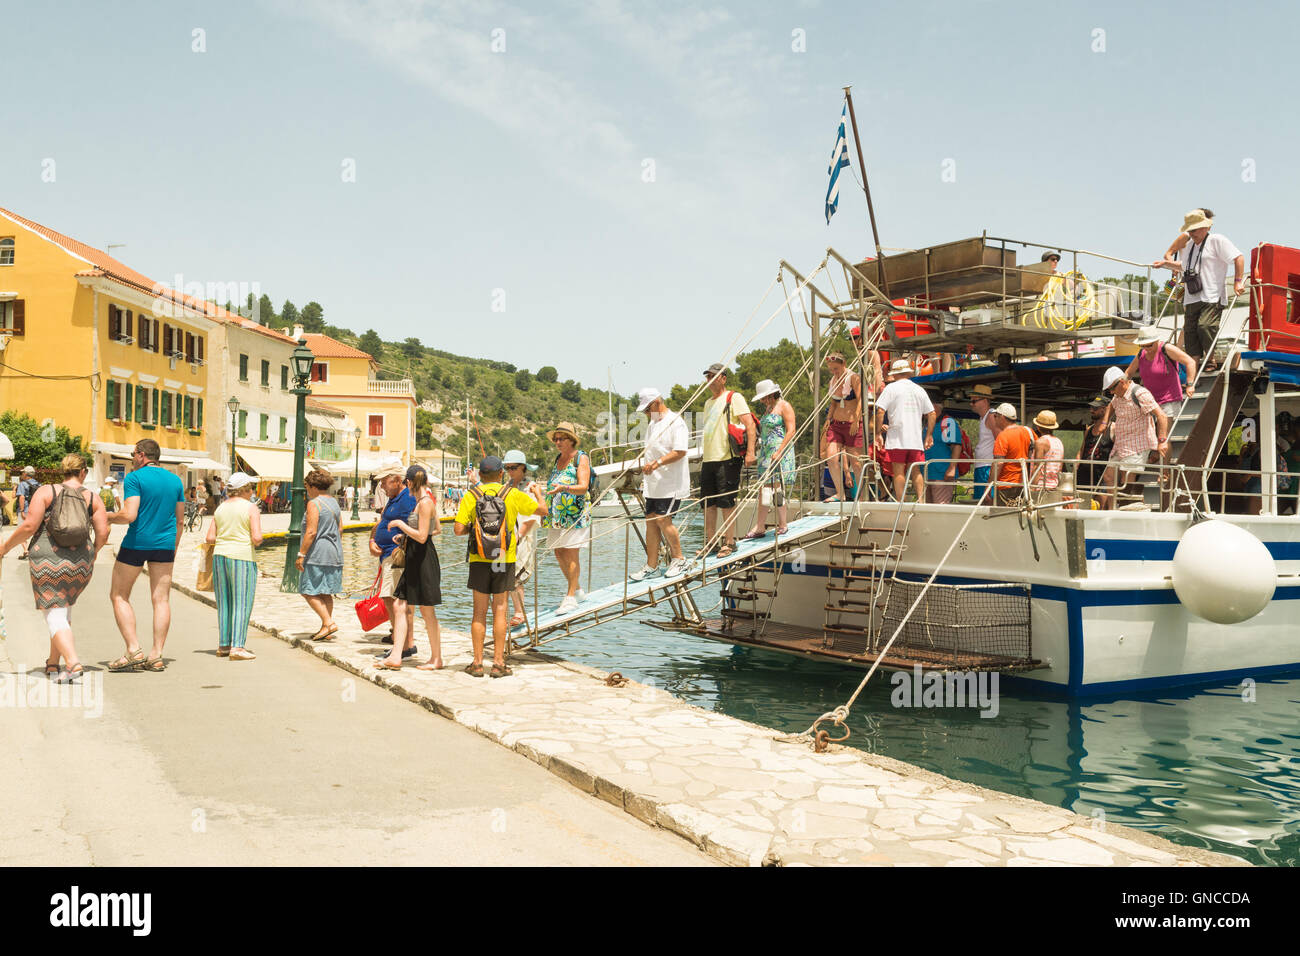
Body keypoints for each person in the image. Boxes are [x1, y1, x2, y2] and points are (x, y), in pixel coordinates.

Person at [0, 453, 109, 682]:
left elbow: (30, 525)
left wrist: (6, 547)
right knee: (63, 607)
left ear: (62, 471)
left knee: (52, 610)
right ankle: (53, 663)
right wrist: (94, 552)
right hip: (81, 559)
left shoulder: (46, 491)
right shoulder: (93, 497)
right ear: (83, 473)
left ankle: (72, 662)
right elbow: (103, 532)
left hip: (47, 557)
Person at [455, 455, 548, 678]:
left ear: (479, 475)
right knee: (500, 609)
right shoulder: (512, 494)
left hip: (479, 559)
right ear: (500, 474)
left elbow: (458, 529)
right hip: (503, 559)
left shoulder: (471, 495)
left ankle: (477, 663)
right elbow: (543, 511)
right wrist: (538, 494)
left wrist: (477, 531)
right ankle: (498, 663)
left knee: (479, 612)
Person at [105, 440, 185, 672]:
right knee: (161, 600)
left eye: (133, 454)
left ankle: (133, 650)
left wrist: (109, 517)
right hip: (165, 545)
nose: (132, 458)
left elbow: (129, 515)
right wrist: (174, 547)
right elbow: (179, 520)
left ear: (141, 455)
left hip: (137, 542)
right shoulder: (175, 480)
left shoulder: (135, 478)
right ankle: (156, 655)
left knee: (119, 595)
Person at [1152, 209, 1245, 372]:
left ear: (1205, 228)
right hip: (1192, 296)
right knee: (1190, 332)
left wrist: (1238, 282)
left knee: (1205, 326)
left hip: (1212, 295)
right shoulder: (1190, 245)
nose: (1191, 233)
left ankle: (1210, 359)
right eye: (1189, 230)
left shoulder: (1217, 240)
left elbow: (1238, 257)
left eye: (1194, 230)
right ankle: (1193, 369)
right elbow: (1184, 265)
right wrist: (1165, 264)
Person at [377, 465, 443, 671]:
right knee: (400, 606)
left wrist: (400, 524)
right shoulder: (422, 502)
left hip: (423, 561)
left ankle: (436, 658)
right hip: (415, 557)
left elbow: (424, 536)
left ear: (409, 482)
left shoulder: (424, 503)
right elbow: (436, 529)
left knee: (426, 610)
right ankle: (396, 656)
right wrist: (405, 537)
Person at [698, 363, 757, 558]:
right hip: (709, 459)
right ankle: (711, 542)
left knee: (727, 501)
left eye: (713, 377)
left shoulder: (734, 397)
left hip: (727, 458)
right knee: (708, 503)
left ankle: (730, 542)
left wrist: (750, 453)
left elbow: (749, 424)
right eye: (707, 377)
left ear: (723, 378)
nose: (709, 381)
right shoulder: (708, 403)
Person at [205, 471, 264, 661]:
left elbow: (210, 537)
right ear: (245, 489)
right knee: (242, 602)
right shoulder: (251, 508)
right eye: (251, 488)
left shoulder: (220, 508)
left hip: (219, 556)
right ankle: (238, 647)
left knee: (224, 603)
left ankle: (224, 645)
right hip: (242, 557)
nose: (253, 492)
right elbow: (256, 538)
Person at [632, 388, 691, 577]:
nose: (647, 414)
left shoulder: (676, 422)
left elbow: (680, 451)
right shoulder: (652, 424)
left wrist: (657, 463)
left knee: (663, 519)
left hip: (671, 483)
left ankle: (680, 559)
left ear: (657, 402)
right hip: (653, 484)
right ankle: (651, 565)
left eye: (648, 409)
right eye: (645, 411)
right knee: (650, 521)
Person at [1098, 366, 1169, 509]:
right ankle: (1114, 510)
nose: (1111, 392)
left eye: (1112, 389)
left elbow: (1161, 415)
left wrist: (1161, 441)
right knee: (1109, 476)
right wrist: (1105, 422)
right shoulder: (1117, 395)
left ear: (1122, 382)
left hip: (1138, 443)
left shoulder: (1140, 393)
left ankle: (1131, 508)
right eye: (1109, 390)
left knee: (1127, 479)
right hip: (1121, 443)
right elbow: (1111, 406)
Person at [544, 422, 592, 614]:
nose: (557, 442)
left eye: (561, 438)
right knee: (558, 552)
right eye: (555, 439)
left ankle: (570, 596)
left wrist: (564, 488)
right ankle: (578, 589)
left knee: (571, 553)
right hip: (556, 515)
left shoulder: (580, 458)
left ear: (571, 440)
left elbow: (583, 486)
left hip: (574, 514)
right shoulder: (558, 458)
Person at [368, 467, 415, 649]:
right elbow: (381, 522)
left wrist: (401, 547)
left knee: (393, 598)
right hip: (386, 555)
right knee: (390, 598)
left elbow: (416, 526)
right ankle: (399, 637)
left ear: (396, 480)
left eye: (384, 481)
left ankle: (402, 643)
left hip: (396, 555)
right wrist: (372, 540)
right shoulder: (392, 499)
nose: (381, 485)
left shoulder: (408, 499)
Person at [875, 359, 935, 501]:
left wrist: (878, 433)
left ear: (895, 375)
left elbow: (880, 411)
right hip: (915, 439)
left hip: (897, 438)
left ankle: (902, 500)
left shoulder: (891, 388)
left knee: (898, 471)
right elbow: (932, 413)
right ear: (908, 373)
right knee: (916, 471)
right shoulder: (919, 389)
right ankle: (921, 500)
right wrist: (929, 435)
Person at [743, 380, 797, 536]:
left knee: (776, 488)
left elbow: (791, 430)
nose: (762, 401)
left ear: (772, 394)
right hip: (766, 452)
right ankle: (760, 526)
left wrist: (780, 451)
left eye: (764, 397)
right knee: (763, 489)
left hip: (779, 450)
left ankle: (783, 523)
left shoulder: (784, 406)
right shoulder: (768, 408)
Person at [296, 468, 344, 640]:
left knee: (307, 590)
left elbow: (311, 532)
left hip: (317, 553)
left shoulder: (314, 503)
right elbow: (340, 529)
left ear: (313, 486)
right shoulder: (334, 502)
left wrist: (301, 554)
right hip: (334, 552)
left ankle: (328, 623)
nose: (307, 490)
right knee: (325, 592)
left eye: (307, 486)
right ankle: (326, 627)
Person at [503, 450, 545, 628]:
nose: (510, 471)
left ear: (523, 468)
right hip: (508, 537)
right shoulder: (507, 486)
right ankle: (509, 611)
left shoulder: (531, 487)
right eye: (507, 468)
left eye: (513, 468)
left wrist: (519, 536)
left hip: (523, 537)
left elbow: (532, 517)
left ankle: (519, 612)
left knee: (516, 575)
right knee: (506, 575)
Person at [1124, 326, 1196, 419]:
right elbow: (1128, 373)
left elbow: (1190, 362)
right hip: (1149, 401)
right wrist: (1121, 386)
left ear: (1156, 340)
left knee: (1165, 432)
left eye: (1149, 345)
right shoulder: (1141, 353)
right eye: (1142, 345)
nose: (1146, 348)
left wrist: (1190, 384)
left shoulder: (1166, 348)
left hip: (1169, 399)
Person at [823, 351, 863, 501]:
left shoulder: (853, 378)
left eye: (836, 369)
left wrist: (857, 420)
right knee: (831, 458)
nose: (834, 372)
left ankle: (860, 496)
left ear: (843, 364)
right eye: (831, 369)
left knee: (856, 463)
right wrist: (828, 419)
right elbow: (833, 402)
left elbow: (860, 400)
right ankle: (840, 493)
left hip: (852, 423)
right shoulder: (833, 381)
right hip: (836, 424)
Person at [991, 404, 1035, 506]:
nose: (994, 419)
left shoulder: (1002, 436)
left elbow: (998, 464)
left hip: (1005, 486)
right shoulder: (1028, 431)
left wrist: (988, 487)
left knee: (1003, 518)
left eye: (995, 416)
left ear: (1002, 417)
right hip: (1023, 484)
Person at [923, 391, 963, 504]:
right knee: (926, 509)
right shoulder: (924, 423)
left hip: (942, 474)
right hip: (926, 474)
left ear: (934, 407)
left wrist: (952, 468)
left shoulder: (947, 422)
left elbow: (956, 446)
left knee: (940, 507)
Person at [1078, 395, 1115, 501]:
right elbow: (1082, 450)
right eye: (1091, 408)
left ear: (1105, 410)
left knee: (1101, 504)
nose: (1091, 410)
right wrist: (1077, 464)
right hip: (1084, 475)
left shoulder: (1113, 428)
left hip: (1102, 475)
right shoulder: (1089, 429)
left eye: (1095, 408)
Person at [969, 385, 998, 503]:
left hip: (987, 466)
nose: (971, 404)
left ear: (985, 401)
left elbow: (1000, 439)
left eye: (974, 401)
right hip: (982, 466)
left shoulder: (991, 416)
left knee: (986, 499)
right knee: (981, 500)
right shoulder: (984, 418)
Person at [1029, 411, 1065, 500]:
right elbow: (1060, 467)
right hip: (1054, 486)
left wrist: (1031, 488)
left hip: (1041, 487)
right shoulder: (1058, 442)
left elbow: (1037, 467)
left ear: (1038, 426)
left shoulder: (1041, 442)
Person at [14, 465, 39, 559]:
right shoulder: (39, 484)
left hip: (25, 511)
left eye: (22, 473)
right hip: (36, 511)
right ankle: (33, 551)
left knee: (21, 532)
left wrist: (21, 510)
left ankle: (26, 550)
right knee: (35, 531)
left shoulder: (23, 484)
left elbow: (21, 497)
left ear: (25, 474)